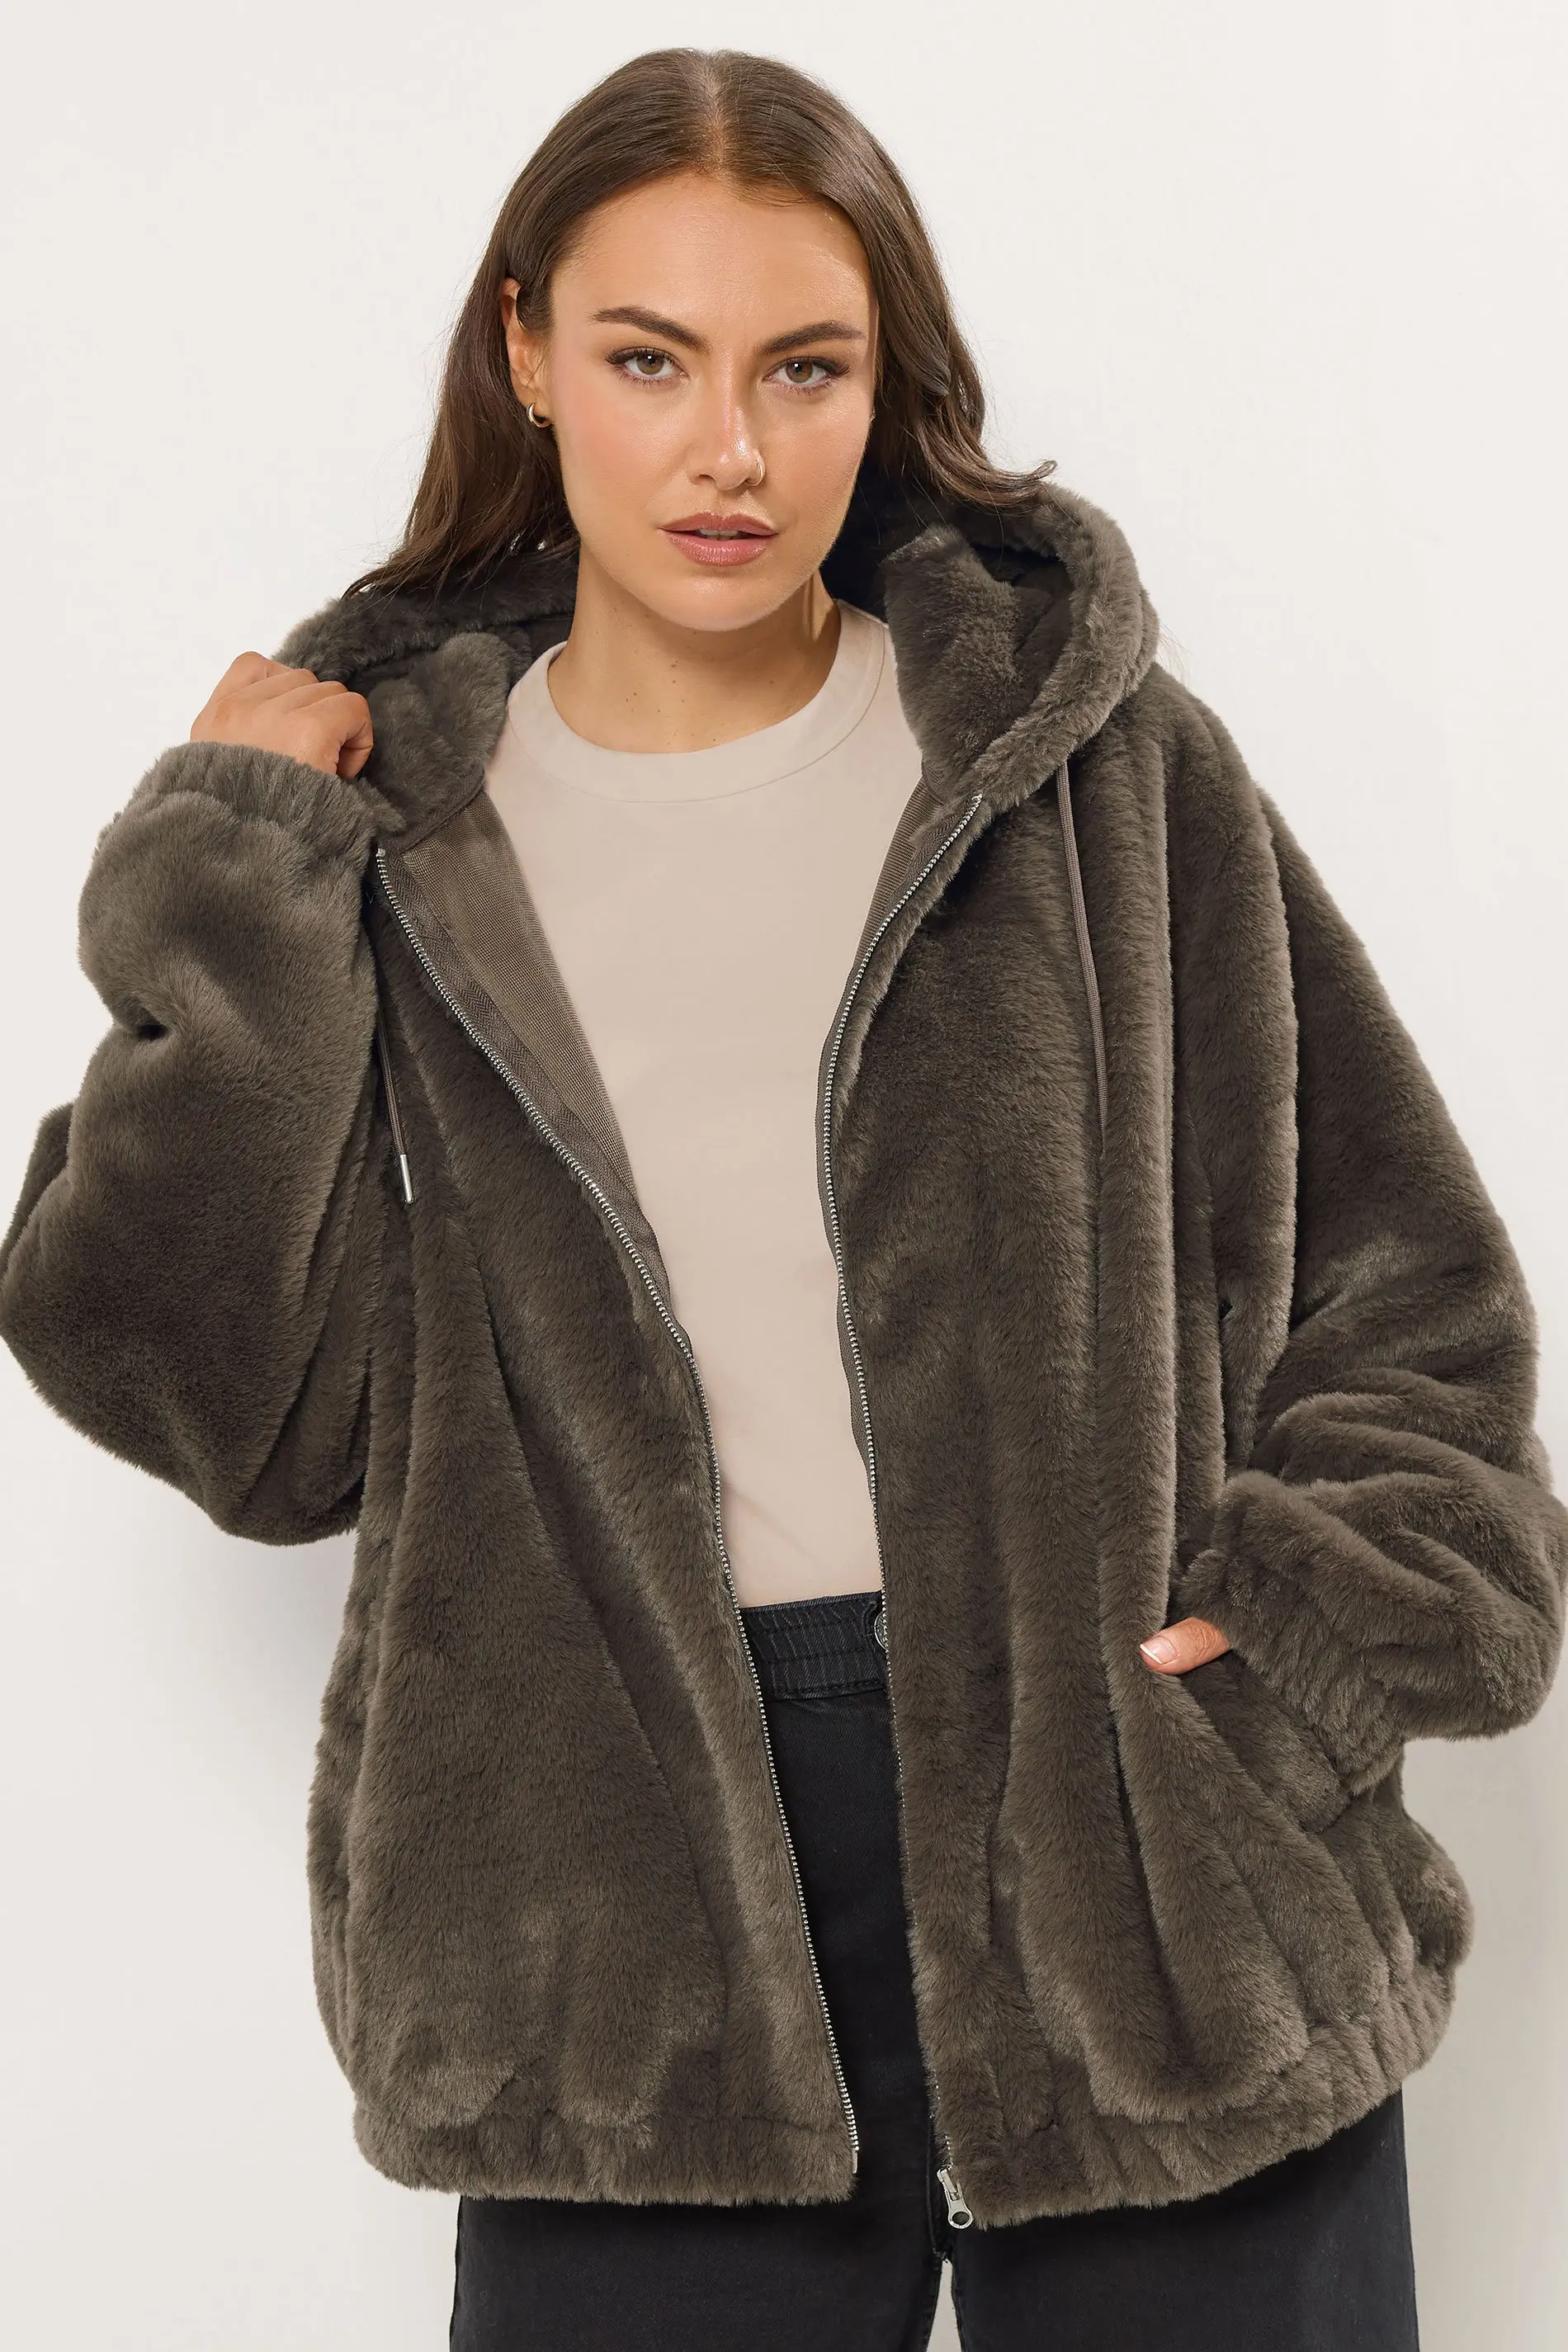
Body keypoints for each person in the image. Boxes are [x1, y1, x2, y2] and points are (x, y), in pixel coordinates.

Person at [2, 43, 1563, 2352]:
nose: (727, 449)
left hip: (1134, 1833)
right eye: (650, 360)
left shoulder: (1084, 774)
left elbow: (1406, 1291)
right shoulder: (388, 839)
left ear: (880, 384)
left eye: (803, 368)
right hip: (622, 1914)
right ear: (527, 352)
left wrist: (1299, 1648)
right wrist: (235, 876)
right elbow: (236, 1415)